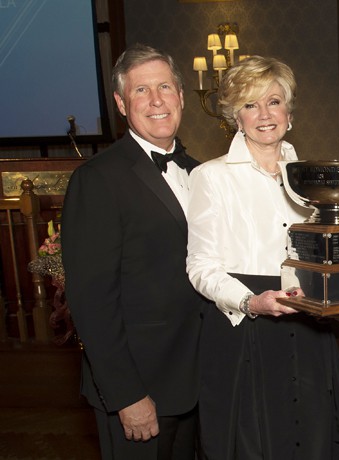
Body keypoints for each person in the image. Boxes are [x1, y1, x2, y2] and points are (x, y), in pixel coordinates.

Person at [185, 55, 339, 459]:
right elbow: (200, 266)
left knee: (313, 439)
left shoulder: (308, 177)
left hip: (309, 323)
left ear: (289, 112)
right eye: (250, 104)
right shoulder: (211, 177)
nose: (264, 114)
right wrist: (250, 301)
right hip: (246, 328)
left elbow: (325, 254)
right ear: (234, 116)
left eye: (273, 101)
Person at [61, 44, 207, 459]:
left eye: (164, 87)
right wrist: (127, 396)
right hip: (140, 389)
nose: (157, 100)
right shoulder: (97, 179)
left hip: (198, 383)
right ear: (122, 105)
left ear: (181, 95)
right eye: (141, 91)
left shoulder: (201, 174)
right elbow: (91, 301)